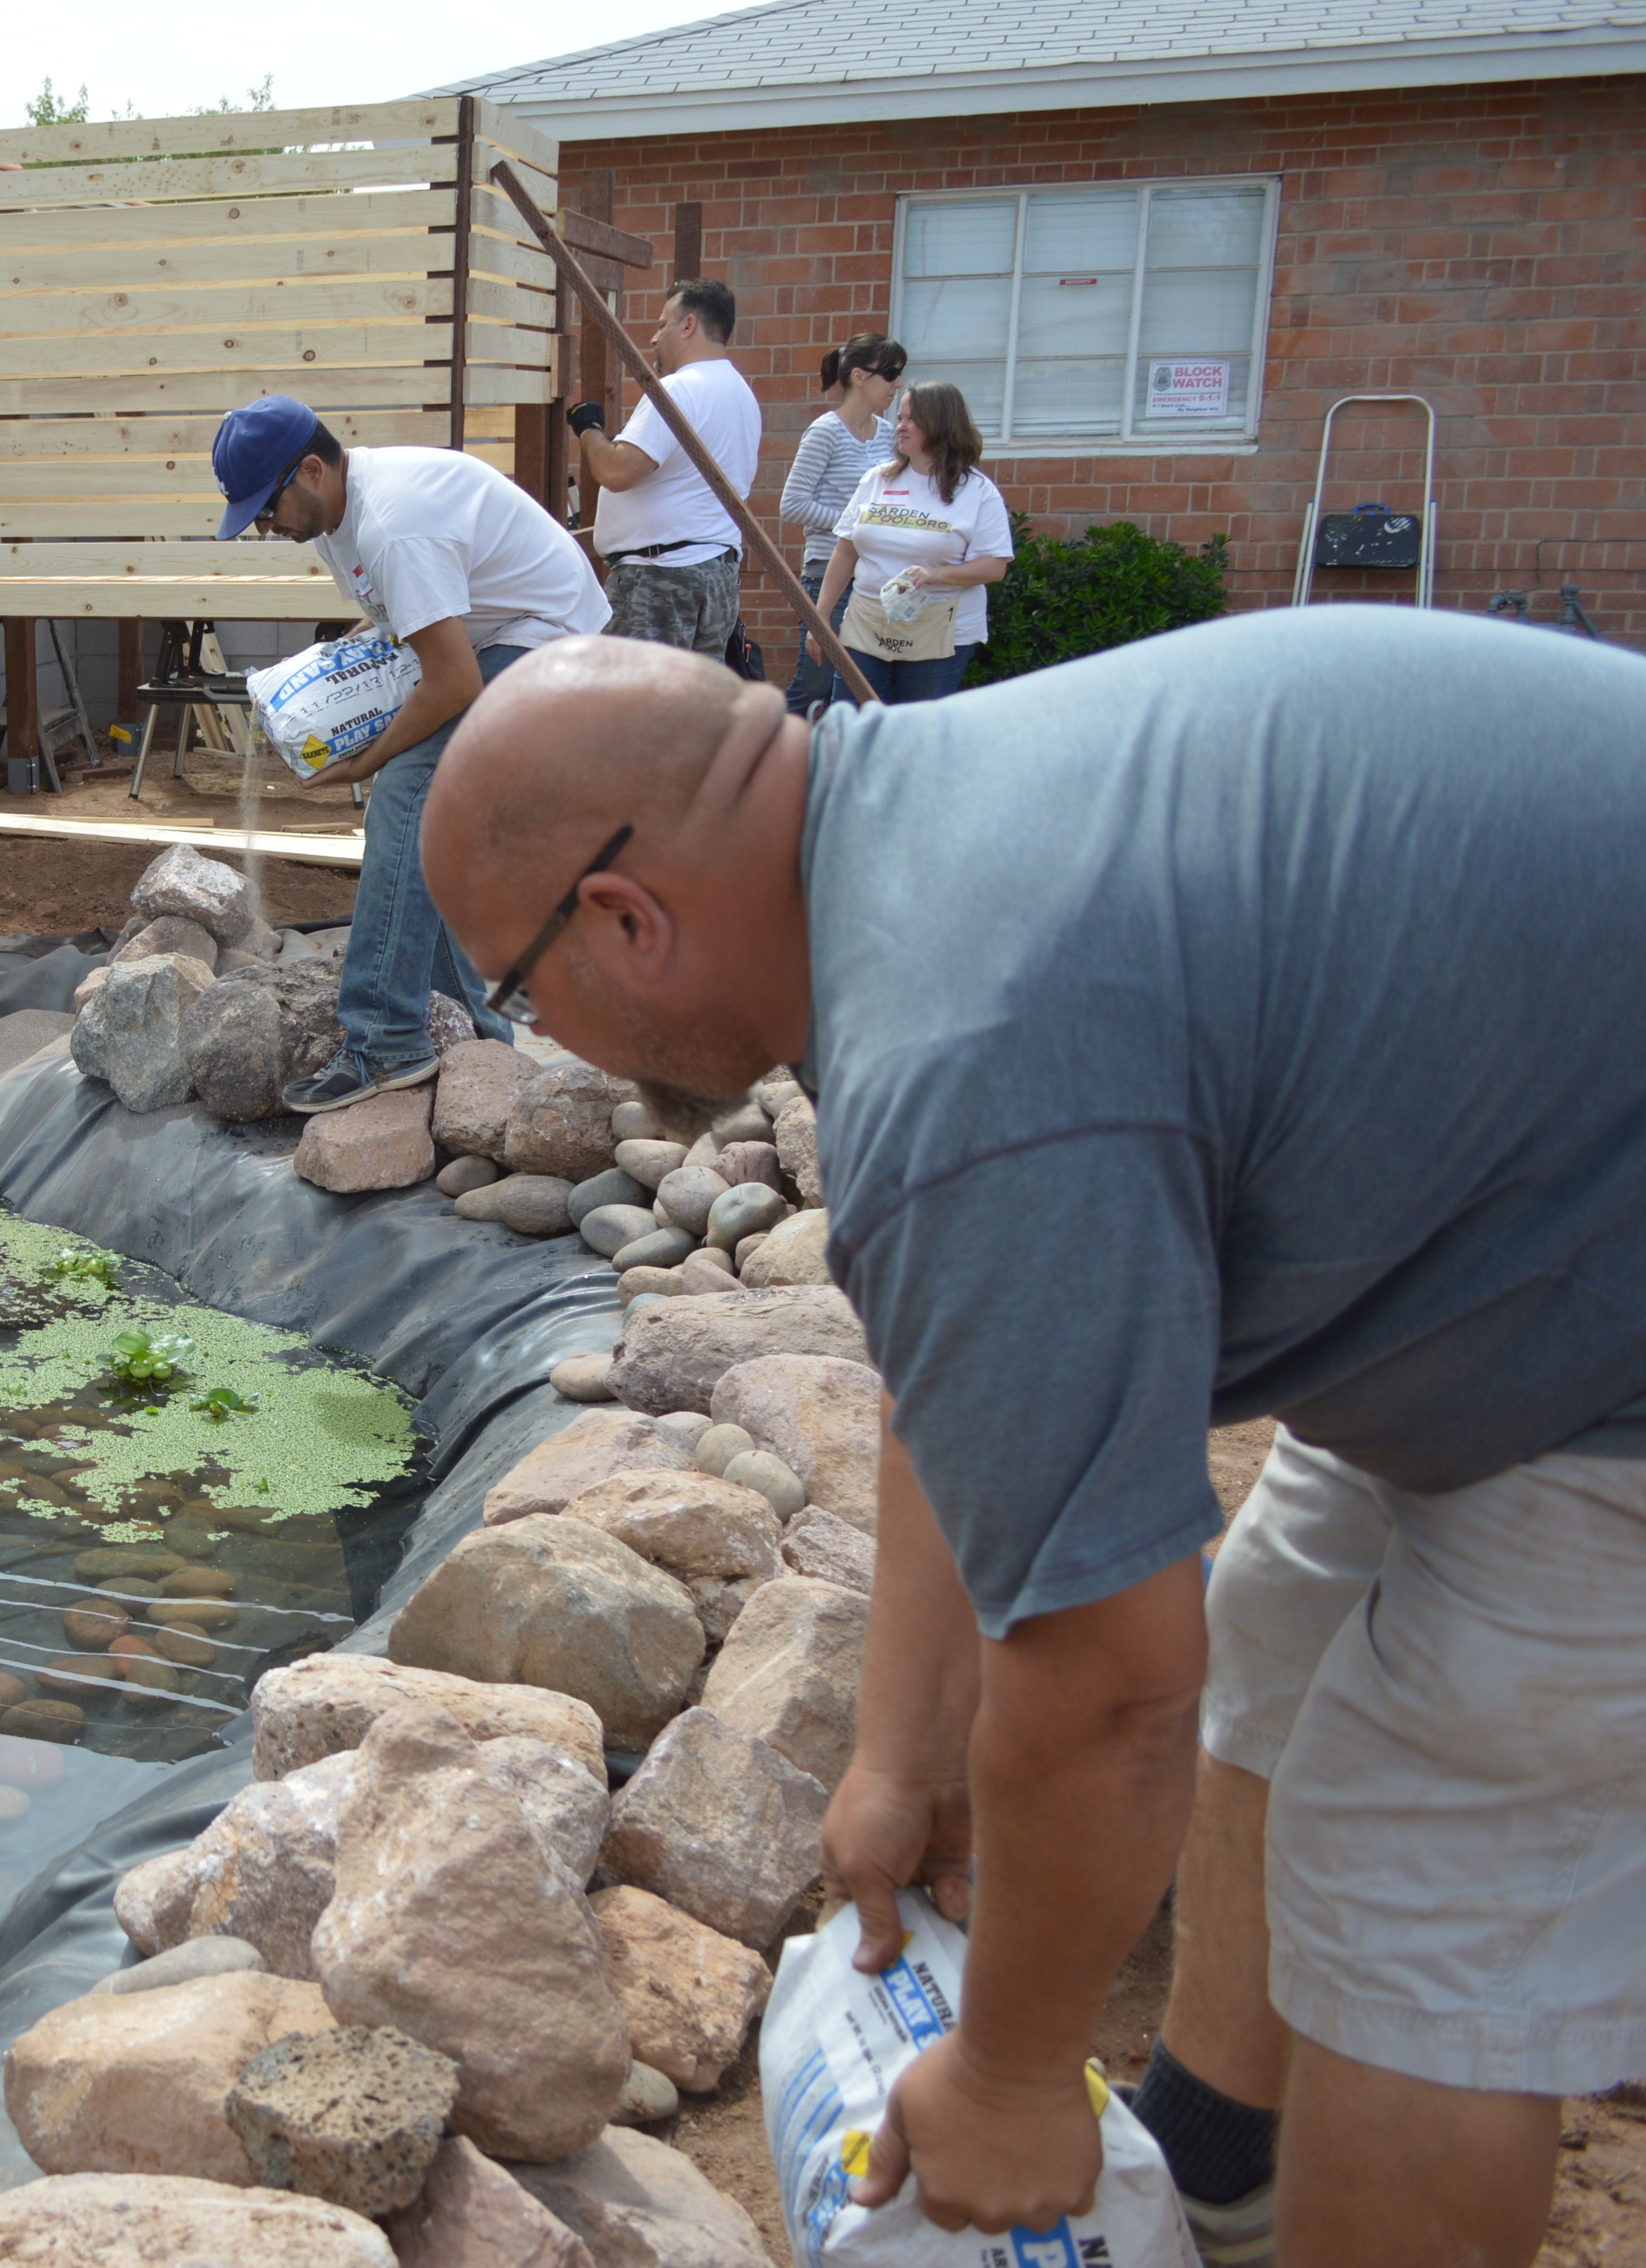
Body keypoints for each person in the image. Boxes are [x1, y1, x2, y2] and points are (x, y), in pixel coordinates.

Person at [414, 608, 1646, 2268]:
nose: (538, 1037)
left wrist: (1005, 2071)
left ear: (623, 918)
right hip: (1522, 1183)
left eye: (517, 989)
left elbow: (1110, 1686)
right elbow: (960, 1392)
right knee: (1285, 1615)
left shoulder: (963, 1041)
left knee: (1420, 1879)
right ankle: (1218, 2169)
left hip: (1596, 1324)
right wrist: (898, 1760)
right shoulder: (917, 840)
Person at [205, 392, 607, 1111]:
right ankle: (476, 1044)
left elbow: (452, 681)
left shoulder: (392, 525)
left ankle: (387, 1039)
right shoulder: (338, 520)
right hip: (495, 637)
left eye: (267, 508)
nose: (266, 527)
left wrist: (368, 760)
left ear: (311, 470)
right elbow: (403, 624)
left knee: (405, 797)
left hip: (548, 643)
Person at [567, 277, 763, 655]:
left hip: (661, 579)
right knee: (694, 703)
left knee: (640, 704)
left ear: (688, 325)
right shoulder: (741, 393)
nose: (655, 339)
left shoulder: (680, 389)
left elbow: (616, 471)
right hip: (714, 574)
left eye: (662, 325)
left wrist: (588, 429)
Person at [819, 380, 1012, 703]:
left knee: (914, 730)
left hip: (940, 630)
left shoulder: (977, 491)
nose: (901, 427)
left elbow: (994, 567)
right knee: (850, 722)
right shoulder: (877, 479)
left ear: (940, 424)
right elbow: (846, 549)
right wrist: (820, 616)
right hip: (867, 624)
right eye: (899, 418)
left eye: (911, 419)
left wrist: (937, 576)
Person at [780, 333, 905, 710]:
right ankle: (768, 751)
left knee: (862, 686)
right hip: (828, 572)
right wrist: (854, 527)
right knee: (816, 681)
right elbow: (792, 504)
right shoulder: (826, 432)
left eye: (900, 373)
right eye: (890, 373)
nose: (898, 383)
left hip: (877, 577)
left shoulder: (888, 435)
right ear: (859, 377)